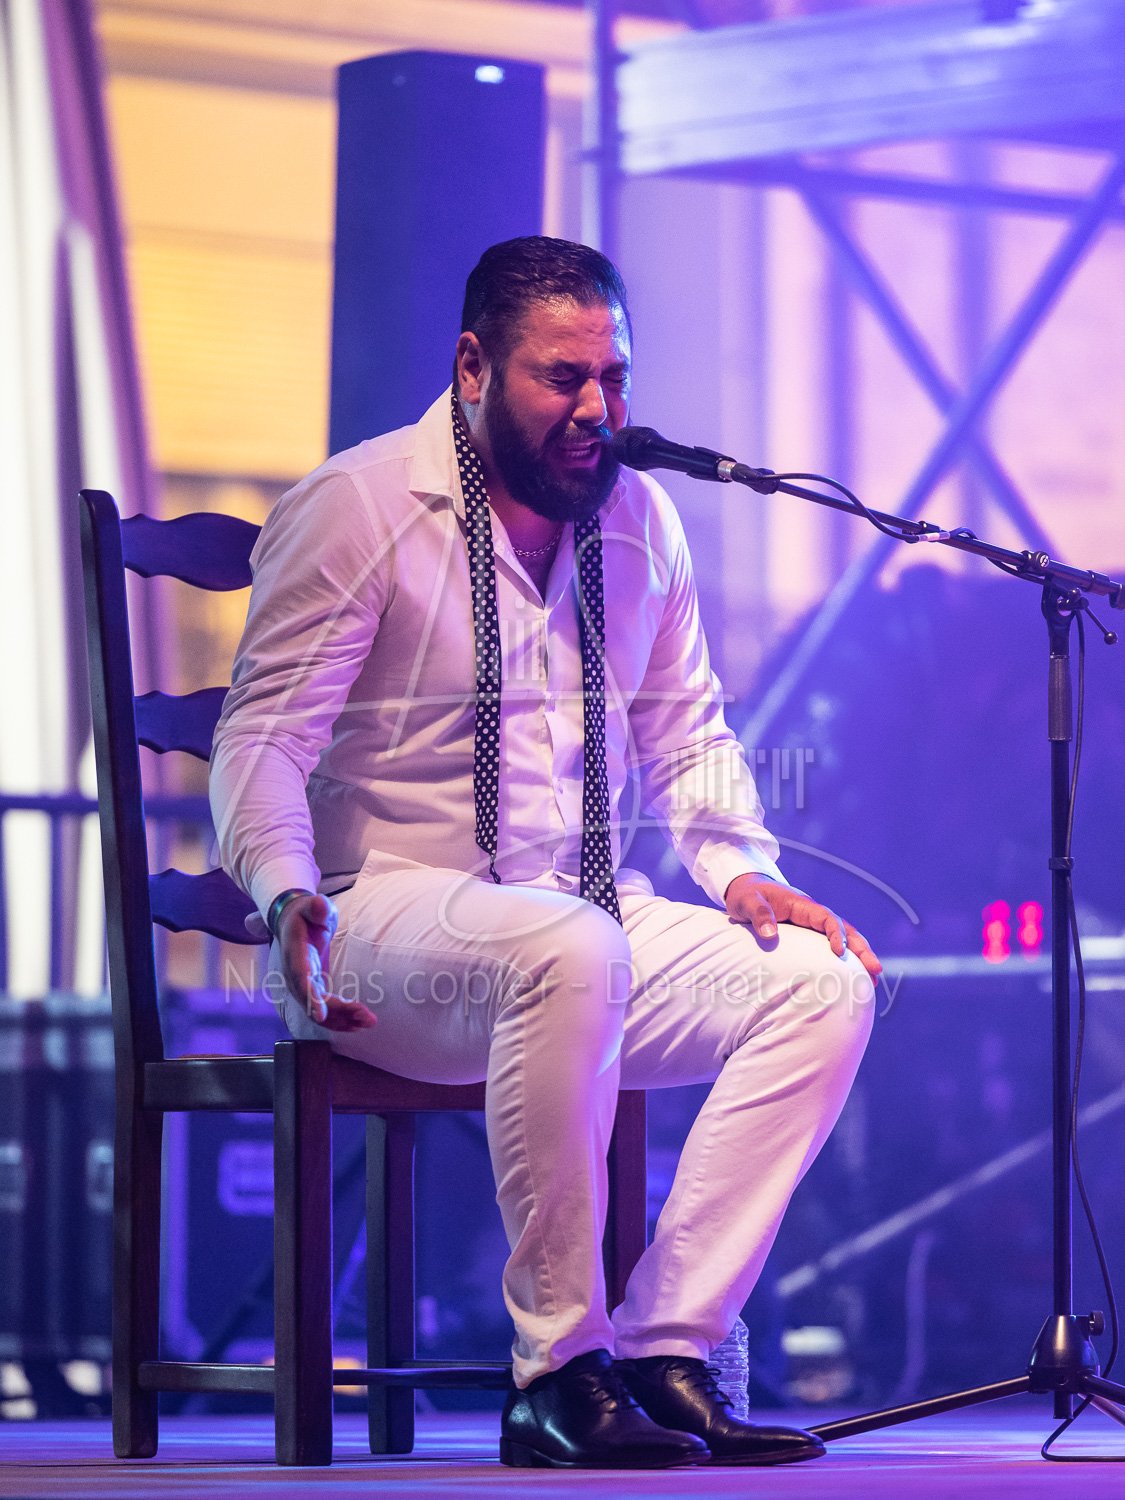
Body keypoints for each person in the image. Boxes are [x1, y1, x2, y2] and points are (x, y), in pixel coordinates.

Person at [210, 235, 880, 1470]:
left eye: (614, 378)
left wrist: (742, 870)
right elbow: (261, 740)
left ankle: (667, 1350)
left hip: (578, 920)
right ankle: (557, 1374)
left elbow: (687, 730)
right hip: (378, 924)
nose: (597, 409)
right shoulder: (360, 507)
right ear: (473, 367)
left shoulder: (640, 518)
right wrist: (283, 889)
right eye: (562, 378)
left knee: (822, 984)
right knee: (572, 947)